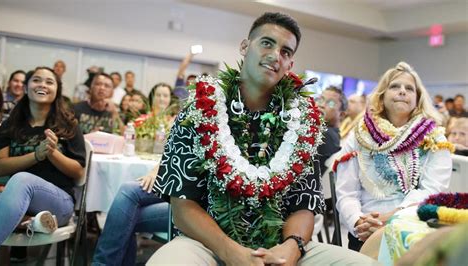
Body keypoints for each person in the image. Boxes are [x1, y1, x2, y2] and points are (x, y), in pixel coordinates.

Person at [149, 12, 375, 265]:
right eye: (266, 43)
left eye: (285, 52)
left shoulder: (303, 122)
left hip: (280, 244)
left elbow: (304, 203)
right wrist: (231, 252)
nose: (275, 55)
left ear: (290, 64)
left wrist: (292, 247)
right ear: (245, 47)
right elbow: (182, 208)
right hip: (205, 244)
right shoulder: (199, 109)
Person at [335, 62, 454, 252]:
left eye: (409, 88)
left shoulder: (435, 138)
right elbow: (346, 192)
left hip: (412, 228)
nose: (402, 91)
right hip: (365, 227)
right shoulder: (359, 134)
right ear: (382, 96)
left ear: (418, 99)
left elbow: (432, 189)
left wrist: (391, 218)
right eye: (394, 86)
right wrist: (359, 223)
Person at [0, 66, 86, 251]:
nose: (42, 84)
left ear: (57, 90)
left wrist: (52, 153)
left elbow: (78, 172)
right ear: (26, 87)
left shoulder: (68, 125)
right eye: (36, 80)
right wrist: (36, 155)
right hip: (15, 199)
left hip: (59, 202)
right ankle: (31, 222)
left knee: (22, 179)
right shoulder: (10, 125)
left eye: (49, 81)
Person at [92, 84, 179, 266]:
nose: (162, 99)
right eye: (158, 95)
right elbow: (174, 154)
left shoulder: (176, 122)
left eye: (165, 95)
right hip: (172, 189)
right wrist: (158, 169)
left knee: (123, 212)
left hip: (189, 202)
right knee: (124, 212)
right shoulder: (143, 120)